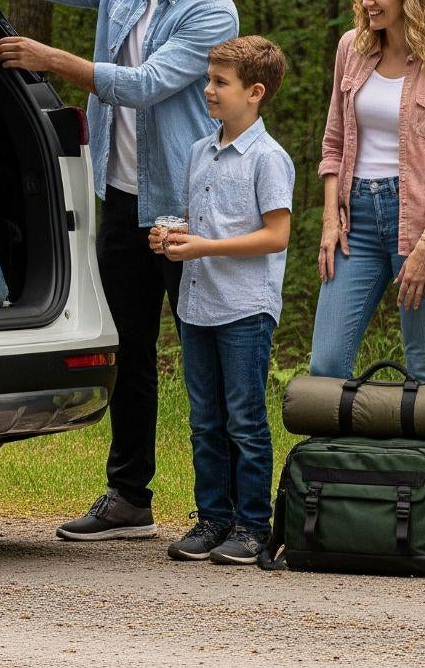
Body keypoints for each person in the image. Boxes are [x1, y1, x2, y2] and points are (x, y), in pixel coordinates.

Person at [0, 0, 239, 541]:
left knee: (205, 356)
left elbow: (148, 84)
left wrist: (50, 59)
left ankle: (230, 512)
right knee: (128, 351)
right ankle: (129, 496)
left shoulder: (213, 11)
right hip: (122, 198)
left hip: (187, 207)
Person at [152, 36, 293, 565]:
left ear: (255, 92)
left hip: (244, 308)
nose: (207, 90)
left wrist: (205, 246)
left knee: (244, 420)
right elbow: (208, 224)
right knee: (204, 420)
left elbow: (276, 235)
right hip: (197, 303)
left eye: (219, 83)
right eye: (208, 79)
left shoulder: (269, 158)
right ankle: (211, 518)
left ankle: (253, 525)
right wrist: (176, 239)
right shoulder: (198, 151)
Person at [310, 0, 425, 385]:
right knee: (325, 366)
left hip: (422, 224)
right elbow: (334, 142)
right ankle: (340, 457)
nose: (366, 1)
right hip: (355, 223)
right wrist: (330, 219)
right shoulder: (352, 48)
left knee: (424, 371)